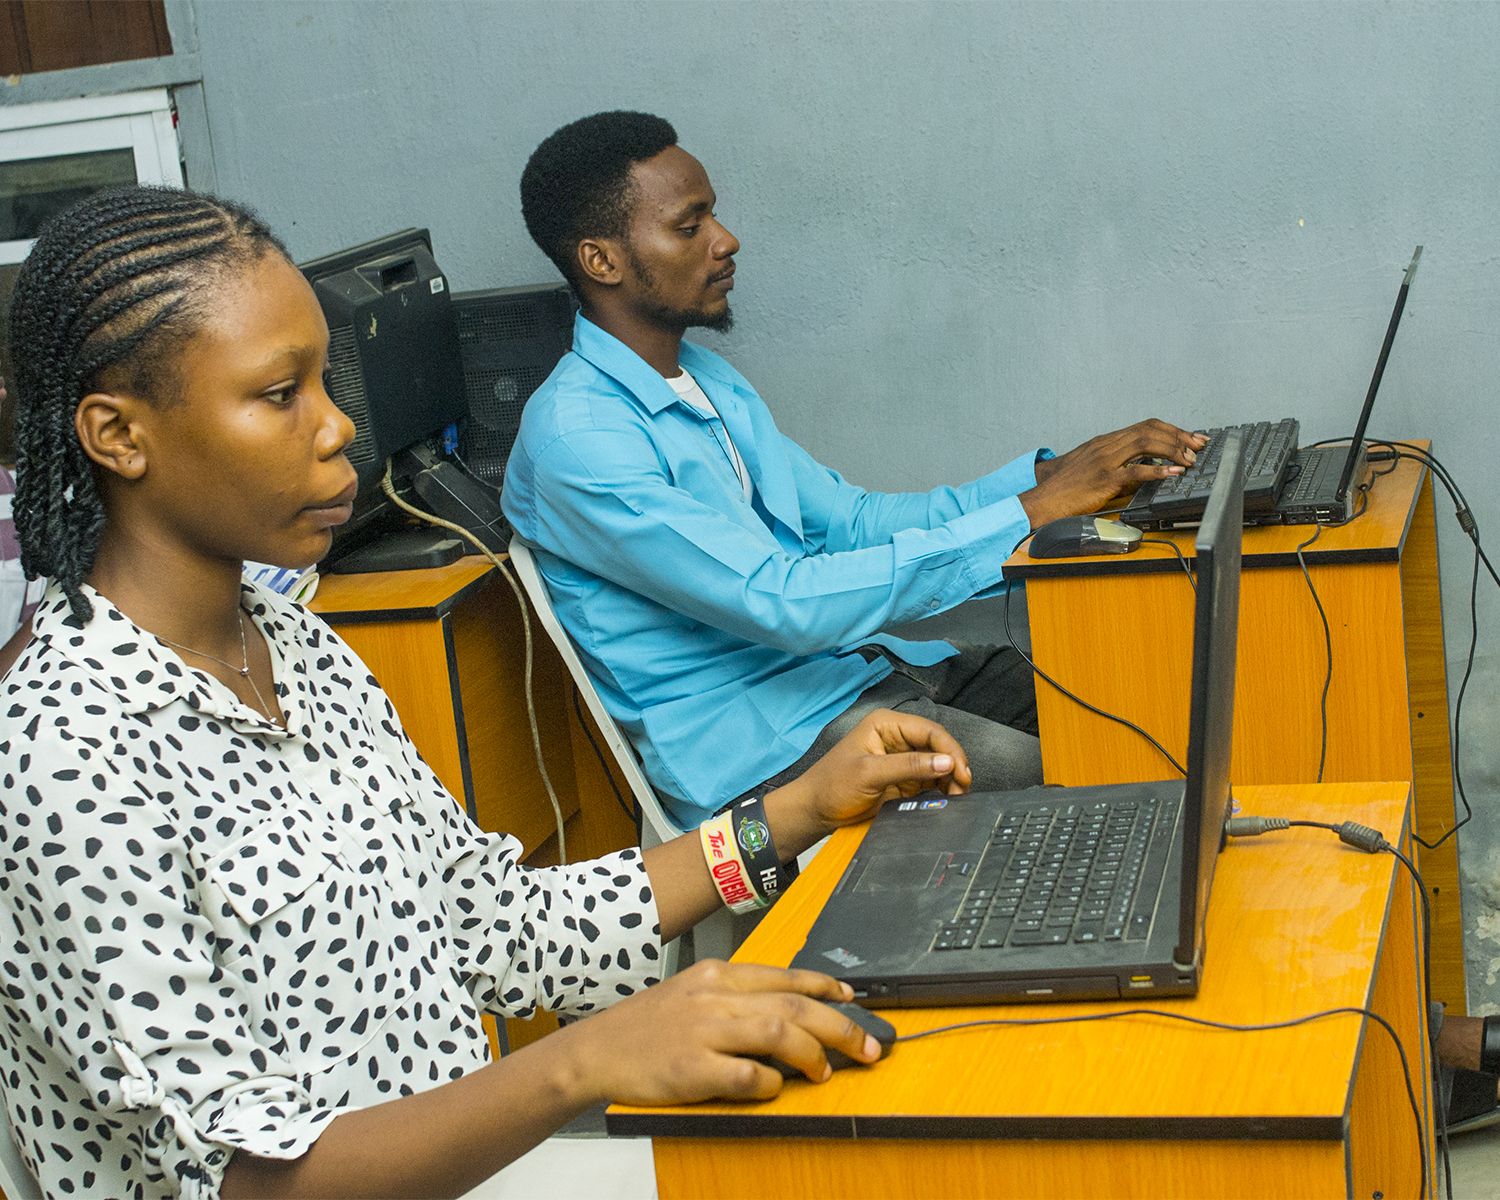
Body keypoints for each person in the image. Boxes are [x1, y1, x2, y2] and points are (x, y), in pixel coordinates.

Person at [0, 185, 976, 1199]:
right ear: (118, 435)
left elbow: (495, 927)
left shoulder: (296, 647)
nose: (337, 429)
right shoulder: (63, 753)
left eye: (324, 383)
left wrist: (793, 814)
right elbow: (242, 1182)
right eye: (279, 394)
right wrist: (583, 1064)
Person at [502, 110, 1210, 829]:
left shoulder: (706, 379)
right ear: (602, 261)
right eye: (690, 226)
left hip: (862, 675)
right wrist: (1030, 515)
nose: (726, 240)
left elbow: (851, 522)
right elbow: (777, 601)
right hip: (772, 757)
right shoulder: (578, 441)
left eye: (713, 214)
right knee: (1087, 779)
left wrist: (1049, 482)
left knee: (1141, 701)